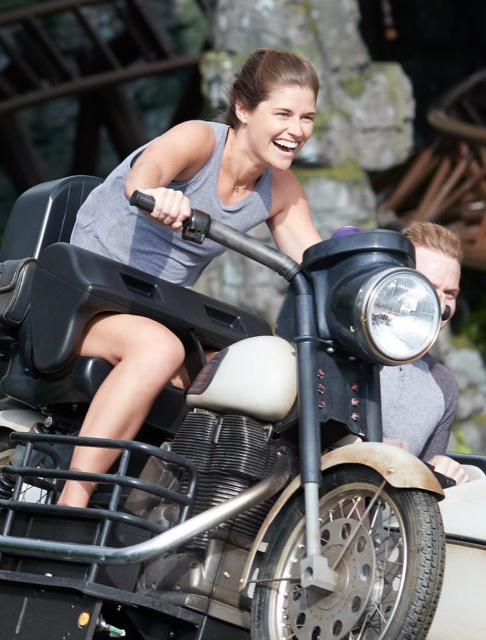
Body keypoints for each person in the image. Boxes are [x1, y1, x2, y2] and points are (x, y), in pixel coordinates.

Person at [58, 48, 323, 508]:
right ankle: (71, 501)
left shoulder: (279, 188)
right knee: (160, 349)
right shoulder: (200, 141)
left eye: (307, 118)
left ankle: (185, 514)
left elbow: (317, 262)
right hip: (85, 297)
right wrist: (157, 194)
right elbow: (146, 172)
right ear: (244, 109)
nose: (296, 130)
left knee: (251, 374)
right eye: (283, 113)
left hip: (157, 311)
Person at [379, 221, 469, 484]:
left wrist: (441, 468)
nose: (440, 304)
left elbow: (425, 480)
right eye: (429, 285)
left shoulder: (443, 385)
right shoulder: (342, 346)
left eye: (450, 293)